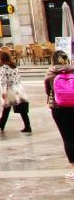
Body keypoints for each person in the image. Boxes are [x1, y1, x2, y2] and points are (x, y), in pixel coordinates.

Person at [44, 50, 74, 180]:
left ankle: (73, 168)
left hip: (58, 108)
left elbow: (48, 90)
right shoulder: (73, 70)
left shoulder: (50, 73)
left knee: (67, 138)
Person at [0, 51, 30, 133]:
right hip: (18, 88)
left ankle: (1, 124)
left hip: (10, 89)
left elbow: (3, 81)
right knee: (22, 109)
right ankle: (27, 125)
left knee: (6, 108)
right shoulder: (14, 66)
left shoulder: (3, 68)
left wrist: (4, 92)